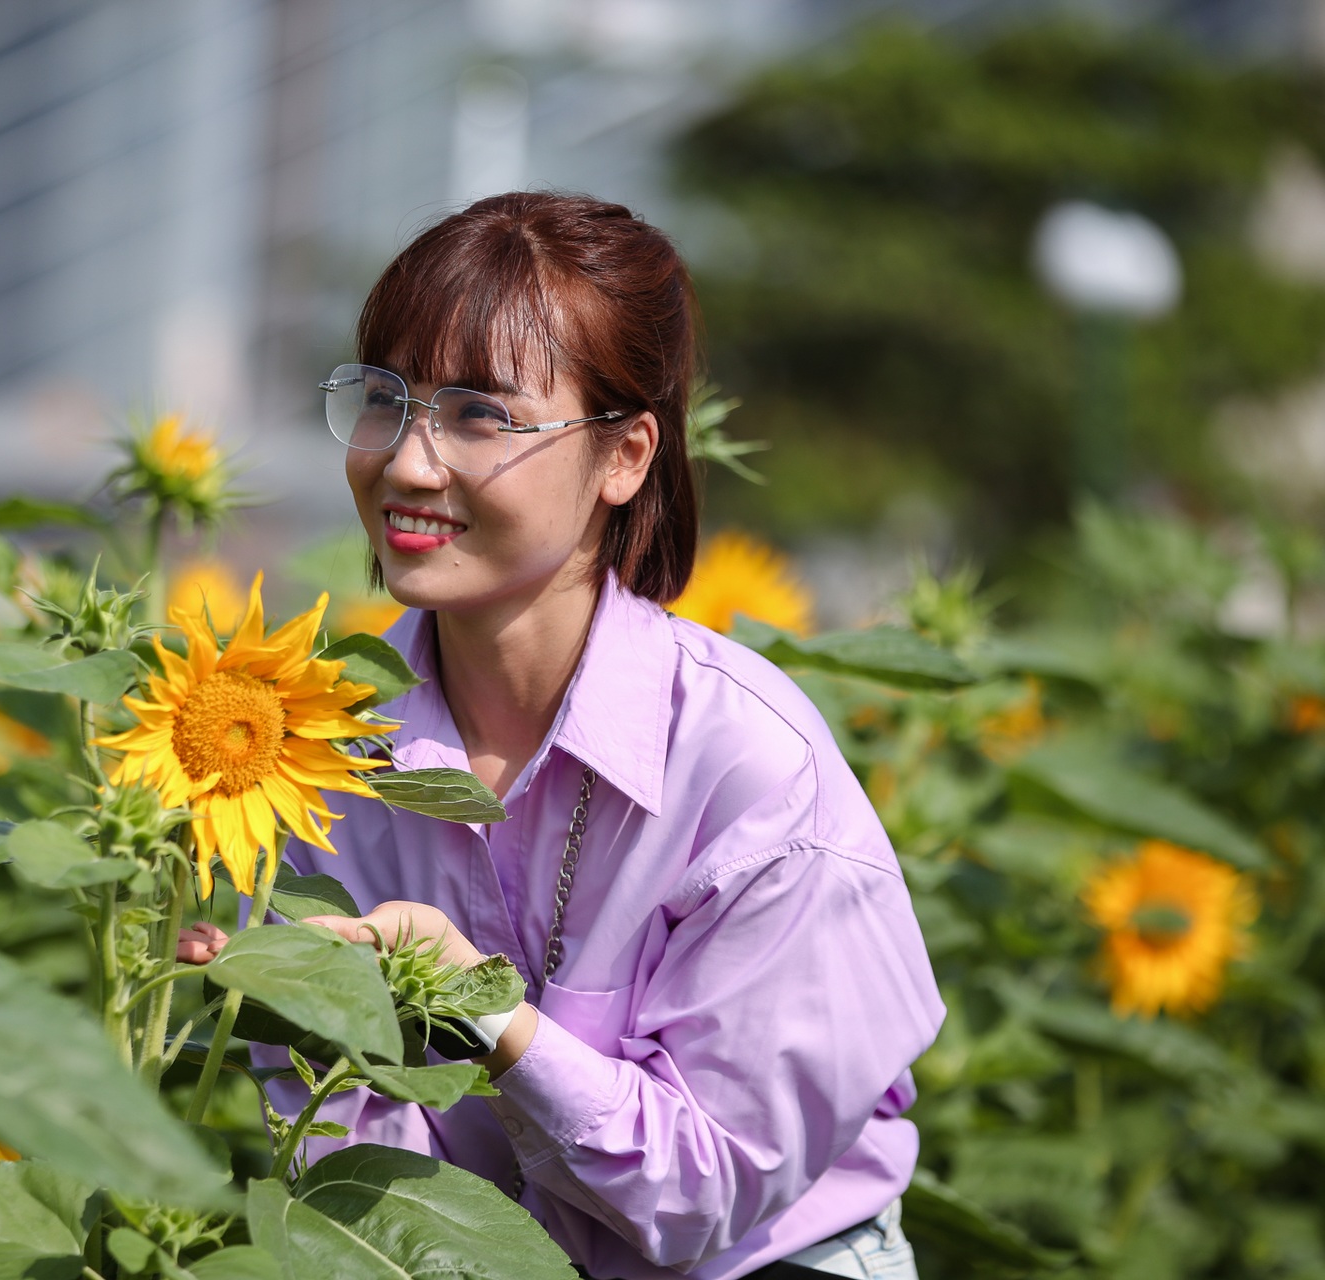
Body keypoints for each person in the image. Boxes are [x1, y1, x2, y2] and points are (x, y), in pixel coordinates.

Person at [176, 191, 944, 1279]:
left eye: (479, 415)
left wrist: (477, 1004)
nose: (406, 462)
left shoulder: (751, 773)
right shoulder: (316, 749)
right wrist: (282, 998)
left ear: (625, 455)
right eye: (387, 398)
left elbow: (704, 1197)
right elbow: (351, 1158)